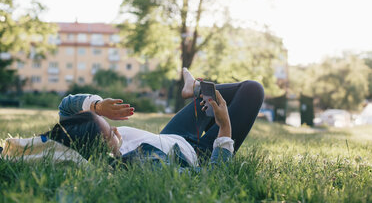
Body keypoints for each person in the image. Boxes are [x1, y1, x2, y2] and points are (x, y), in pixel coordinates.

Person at [46, 68, 264, 167]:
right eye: (110, 134)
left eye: (111, 126)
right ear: (100, 151)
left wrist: (98, 106)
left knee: (231, 92)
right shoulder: (141, 164)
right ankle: (196, 89)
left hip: (172, 135)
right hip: (200, 153)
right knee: (252, 90)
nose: (117, 130)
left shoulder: (76, 135)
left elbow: (66, 108)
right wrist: (224, 127)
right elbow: (214, 176)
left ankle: (195, 88)